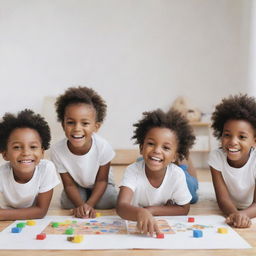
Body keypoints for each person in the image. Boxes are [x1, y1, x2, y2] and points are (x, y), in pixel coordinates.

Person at [116, 109, 195, 236]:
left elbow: (184, 208)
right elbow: (121, 206)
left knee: (193, 190)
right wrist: (140, 213)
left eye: (166, 147)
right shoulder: (132, 170)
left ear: (175, 156)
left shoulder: (176, 174)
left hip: (178, 172)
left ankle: (187, 163)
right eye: (151, 144)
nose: (157, 150)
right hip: (148, 164)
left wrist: (150, 210)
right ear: (141, 148)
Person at [51, 86, 117, 218]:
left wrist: (90, 205)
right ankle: (83, 196)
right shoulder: (57, 151)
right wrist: (80, 205)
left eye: (85, 123)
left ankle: (91, 197)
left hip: (101, 182)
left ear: (96, 127)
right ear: (63, 124)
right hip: (76, 184)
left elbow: (102, 181)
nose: (77, 129)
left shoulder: (103, 147)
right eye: (70, 122)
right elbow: (69, 184)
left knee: (108, 201)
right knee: (69, 203)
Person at [0, 109, 60, 220]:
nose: (26, 153)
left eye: (33, 147)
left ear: (42, 152)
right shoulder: (1, 174)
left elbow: (40, 211)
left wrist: (3, 214)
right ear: (5, 154)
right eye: (17, 147)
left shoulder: (46, 169)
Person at [209, 94, 256, 228]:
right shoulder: (216, 157)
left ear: (255, 140)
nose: (233, 142)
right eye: (227, 135)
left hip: (250, 207)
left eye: (242, 137)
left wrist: (244, 215)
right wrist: (235, 214)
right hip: (232, 207)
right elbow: (223, 200)